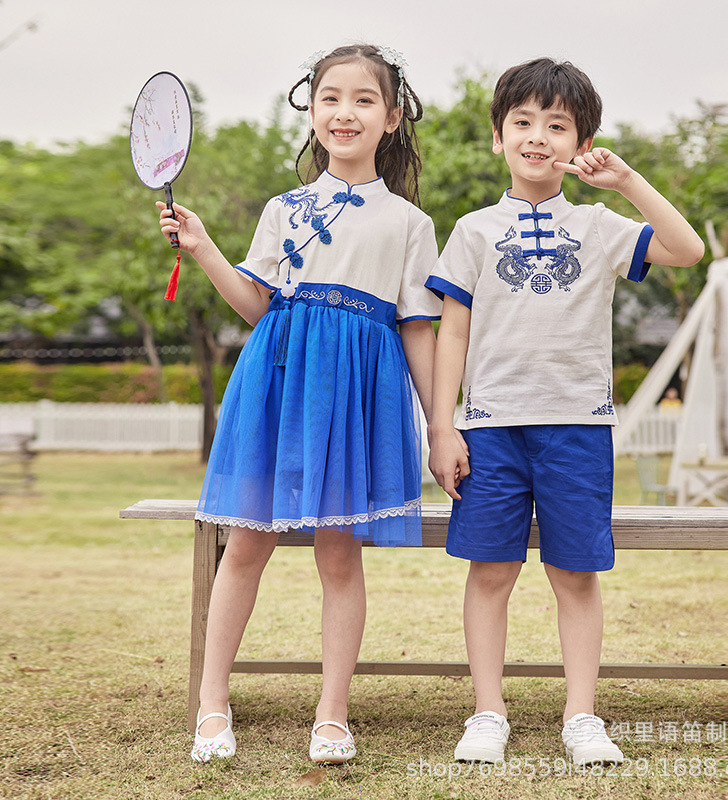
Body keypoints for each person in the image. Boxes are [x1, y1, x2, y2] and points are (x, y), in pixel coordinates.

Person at [157, 44, 440, 764]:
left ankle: (333, 715)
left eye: (364, 100)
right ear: (311, 112)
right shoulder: (284, 209)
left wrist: (442, 423)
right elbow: (257, 304)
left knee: (340, 553)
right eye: (330, 98)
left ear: (392, 117)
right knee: (247, 540)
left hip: (354, 395)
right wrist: (203, 246)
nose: (345, 112)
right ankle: (212, 704)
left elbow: (416, 327)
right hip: (279, 382)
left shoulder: (409, 223)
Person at [426, 58, 704, 766]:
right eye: (523, 122)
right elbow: (451, 330)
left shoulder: (599, 224)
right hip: (489, 427)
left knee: (574, 574)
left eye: (558, 125)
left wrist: (627, 182)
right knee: (490, 570)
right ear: (499, 135)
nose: (538, 137)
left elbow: (686, 248)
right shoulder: (474, 231)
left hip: (578, 425)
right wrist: (443, 423)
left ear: (580, 143)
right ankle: (488, 711)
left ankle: (582, 714)